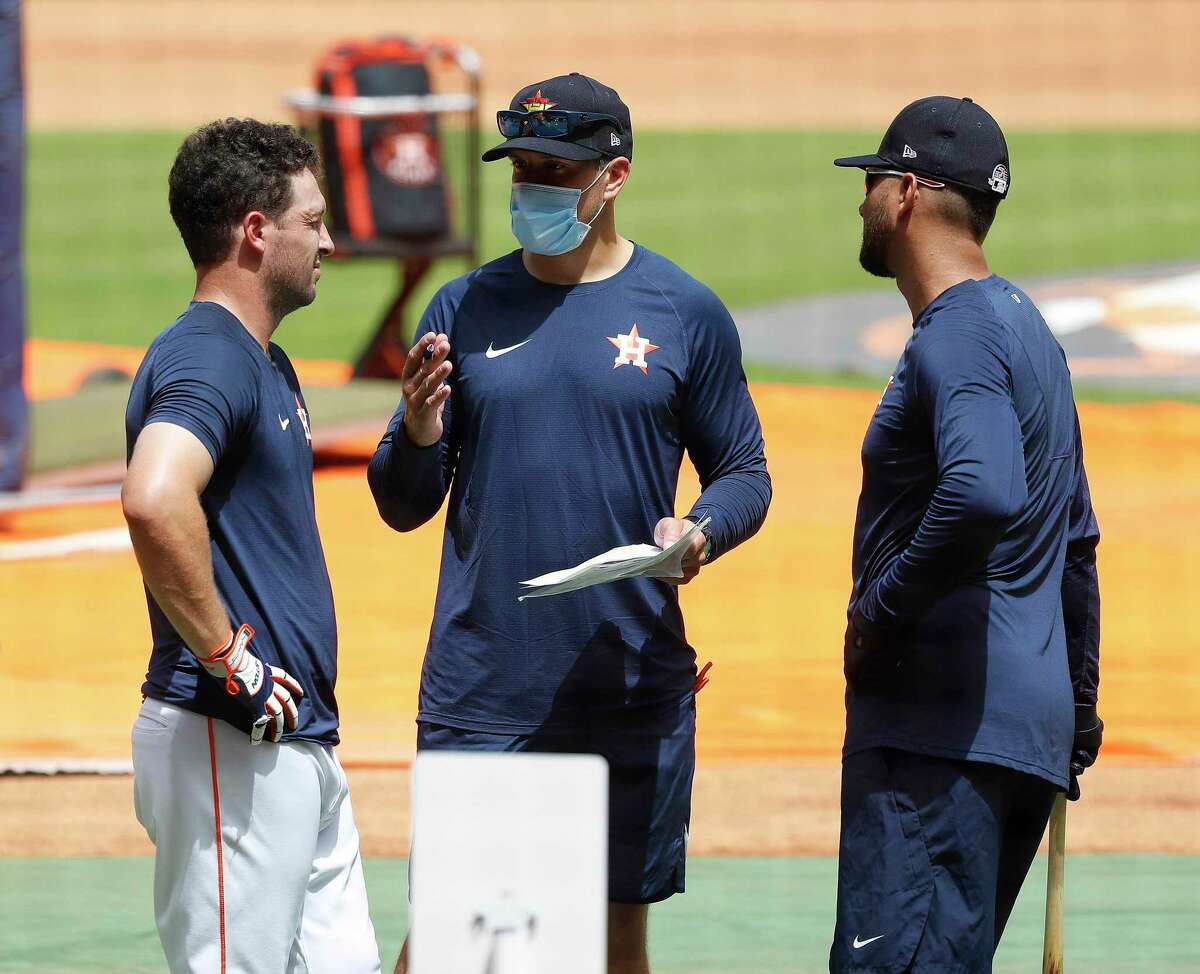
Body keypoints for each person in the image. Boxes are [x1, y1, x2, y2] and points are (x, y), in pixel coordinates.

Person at [368, 73, 771, 974]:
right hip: (486, 683)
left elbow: (744, 470)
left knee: (613, 936)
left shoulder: (684, 312)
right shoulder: (461, 308)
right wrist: (422, 432)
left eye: (556, 169)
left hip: (626, 683)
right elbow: (401, 502)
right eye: (522, 167)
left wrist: (700, 529)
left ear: (613, 176)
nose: (533, 187)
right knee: (449, 938)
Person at [828, 96, 1103, 972]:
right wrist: (1078, 713)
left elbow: (983, 492)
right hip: (1017, 730)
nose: (861, 202)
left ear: (907, 192)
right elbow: (1076, 545)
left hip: (938, 733)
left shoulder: (957, 338)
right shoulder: (1028, 331)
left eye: (871, 183)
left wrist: (880, 609)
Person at [122, 118, 381, 974]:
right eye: (313, 222)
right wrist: (230, 657)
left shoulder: (266, 362)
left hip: (292, 743)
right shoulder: (209, 356)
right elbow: (156, 499)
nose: (331, 243)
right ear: (256, 230)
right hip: (230, 737)